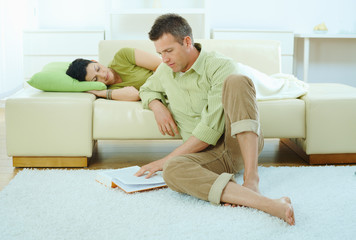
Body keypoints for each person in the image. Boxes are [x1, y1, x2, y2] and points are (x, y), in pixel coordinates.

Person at [135, 14, 295, 225]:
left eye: (168, 51)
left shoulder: (220, 66)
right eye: (160, 53)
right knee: (173, 170)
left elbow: (207, 133)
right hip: (205, 158)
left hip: (235, 145)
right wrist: (157, 106)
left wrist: (161, 161)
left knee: (237, 81)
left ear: (187, 42)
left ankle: (251, 179)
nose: (164, 59)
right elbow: (146, 89)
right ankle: (264, 202)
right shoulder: (165, 71)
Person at [66, 48, 162, 101]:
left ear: (95, 61)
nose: (103, 75)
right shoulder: (110, 90)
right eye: (95, 79)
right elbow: (135, 95)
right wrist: (99, 93)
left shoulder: (123, 56)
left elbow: (161, 66)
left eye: (98, 69)